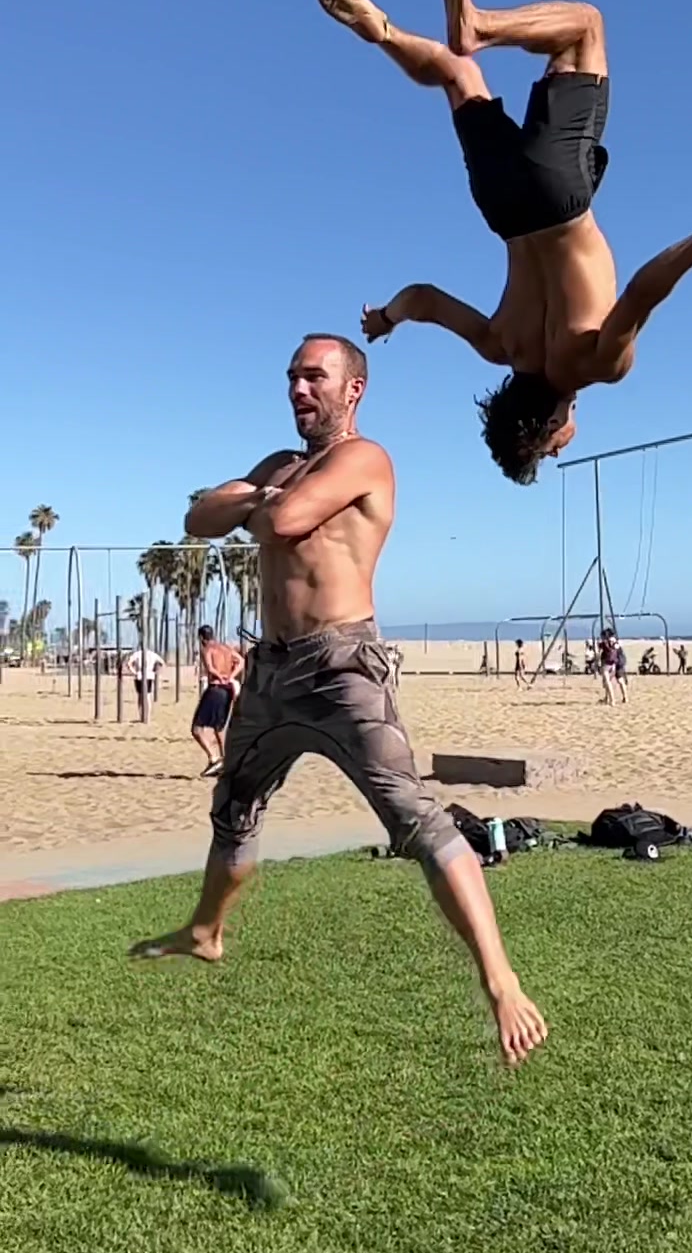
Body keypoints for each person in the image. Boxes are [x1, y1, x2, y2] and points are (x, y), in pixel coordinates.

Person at [130, 333, 547, 1067]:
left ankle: (501, 981)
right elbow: (199, 518)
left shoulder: (365, 458)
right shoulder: (278, 466)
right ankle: (205, 931)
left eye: (314, 377)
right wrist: (260, 496)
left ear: (353, 389)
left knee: (416, 819)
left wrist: (255, 505)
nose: (298, 388)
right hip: (270, 670)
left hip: (341, 666)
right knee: (233, 809)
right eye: (292, 376)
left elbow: (285, 523)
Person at [311, 0, 692, 484]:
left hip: (558, 198)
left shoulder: (596, 365)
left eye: (548, 450)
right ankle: (385, 32)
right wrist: (385, 319)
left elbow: (644, 292)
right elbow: (423, 298)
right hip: (501, 207)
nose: (559, 451)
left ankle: (480, 26)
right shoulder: (500, 345)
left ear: (548, 425)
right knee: (457, 73)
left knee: (584, 28)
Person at [192, 624, 243, 777]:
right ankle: (226, 761)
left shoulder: (208, 649)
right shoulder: (226, 648)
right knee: (219, 728)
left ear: (201, 637)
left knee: (197, 729)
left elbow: (209, 668)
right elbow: (241, 661)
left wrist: (219, 676)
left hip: (215, 689)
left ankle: (214, 758)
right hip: (227, 689)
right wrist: (231, 675)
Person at [126, 643, 165, 712]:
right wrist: (156, 672)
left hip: (139, 676)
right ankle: (147, 713)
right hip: (149, 676)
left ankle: (141, 713)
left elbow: (129, 664)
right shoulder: (153, 654)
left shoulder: (137, 654)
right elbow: (163, 664)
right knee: (148, 696)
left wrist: (134, 672)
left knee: (140, 696)